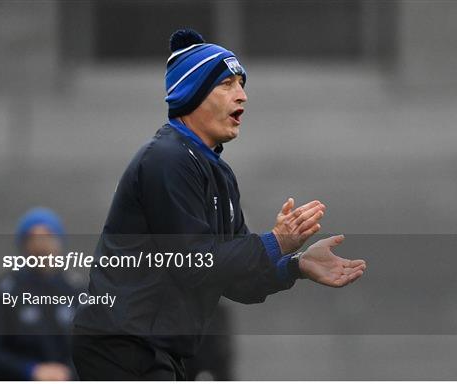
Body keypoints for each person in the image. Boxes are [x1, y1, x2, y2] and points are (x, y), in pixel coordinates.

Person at [72, 29, 366, 380]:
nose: (241, 95)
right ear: (190, 92)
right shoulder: (166, 160)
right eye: (226, 84)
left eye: (241, 84)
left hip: (155, 352)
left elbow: (234, 279)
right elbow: (196, 263)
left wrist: (296, 266)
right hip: (121, 347)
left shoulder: (217, 172)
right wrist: (275, 241)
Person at [0, 208, 78, 380]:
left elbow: (93, 348)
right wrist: (31, 371)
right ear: (24, 245)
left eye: (48, 237)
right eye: (33, 238)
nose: (42, 246)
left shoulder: (75, 289)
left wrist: (67, 374)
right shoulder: (6, 290)